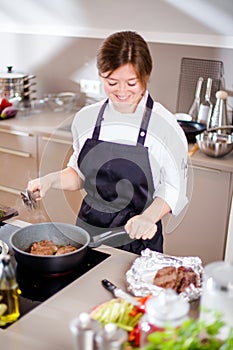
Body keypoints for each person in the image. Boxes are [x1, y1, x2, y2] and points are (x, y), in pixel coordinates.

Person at [27, 31, 188, 255]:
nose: (121, 91)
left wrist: (149, 217)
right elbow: (79, 175)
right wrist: (50, 180)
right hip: (88, 231)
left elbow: (174, 189)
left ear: (146, 76)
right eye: (112, 82)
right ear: (101, 76)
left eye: (131, 82)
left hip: (138, 237)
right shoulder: (87, 118)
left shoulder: (165, 127)